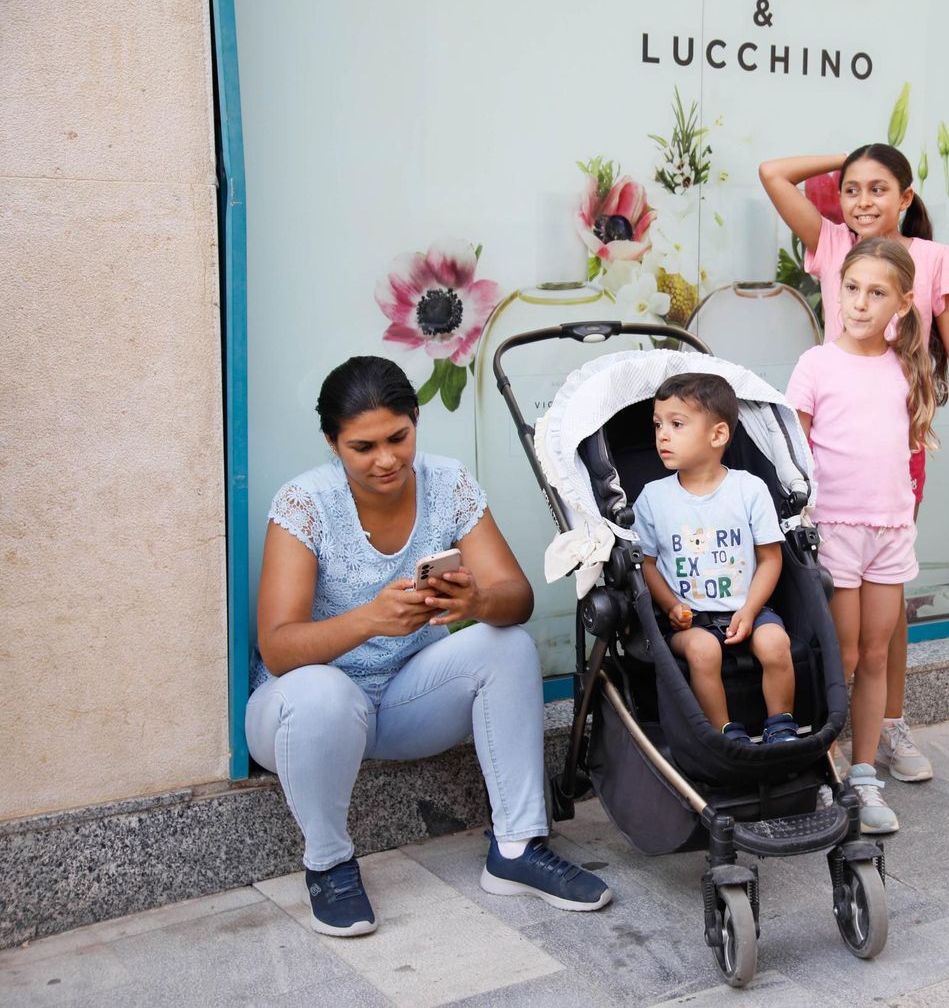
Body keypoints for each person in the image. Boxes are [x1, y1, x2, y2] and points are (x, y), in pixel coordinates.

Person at [249, 356, 611, 938]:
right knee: (321, 690)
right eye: (362, 447)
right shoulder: (304, 504)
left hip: (401, 703)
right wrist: (369, 620)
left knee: (508, 644)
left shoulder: (447, 484)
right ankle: (329, 864)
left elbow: (514, 596)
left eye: (399, 437)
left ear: (416, 419)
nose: (386, 459)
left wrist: (475, 604)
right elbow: (278, 650)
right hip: (301, 717)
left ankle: (516, 848)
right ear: (332, 443)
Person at [759, 143, 949, 784]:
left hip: (896, 452)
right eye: (851, 188)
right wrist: (843, 151)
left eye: (878, 189)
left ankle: (888, 728)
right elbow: (772, 173)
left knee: (887, 599)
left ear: (906, 197)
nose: (861, 202)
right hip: (834, 460)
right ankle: (831, 745)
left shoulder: (932, 260)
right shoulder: (830, 244)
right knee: (843, 619)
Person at [786, 237, 938, 833]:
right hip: (835, 530)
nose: (859, 303)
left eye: (876, 293)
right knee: (842, 655)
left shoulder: (906, 364)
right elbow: (792, 456)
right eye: (852, 288)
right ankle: (824, 769)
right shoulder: (816, 364)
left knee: (876, 655)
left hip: (891, 528)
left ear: (901, 302)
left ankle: (866, 772)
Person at [633, 372, 800, 745]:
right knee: (703, 650)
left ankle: (782, 726)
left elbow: (771, 558)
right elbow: (645, 563)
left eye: (677, 425)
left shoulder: (749, 489)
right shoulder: (653, 498)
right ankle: (725, 733)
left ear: (718, 435)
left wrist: (752, 610)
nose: (662, 435)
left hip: (750, 608)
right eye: (658, 424)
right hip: (690, 619)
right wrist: (671, 606)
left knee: (776, 644)